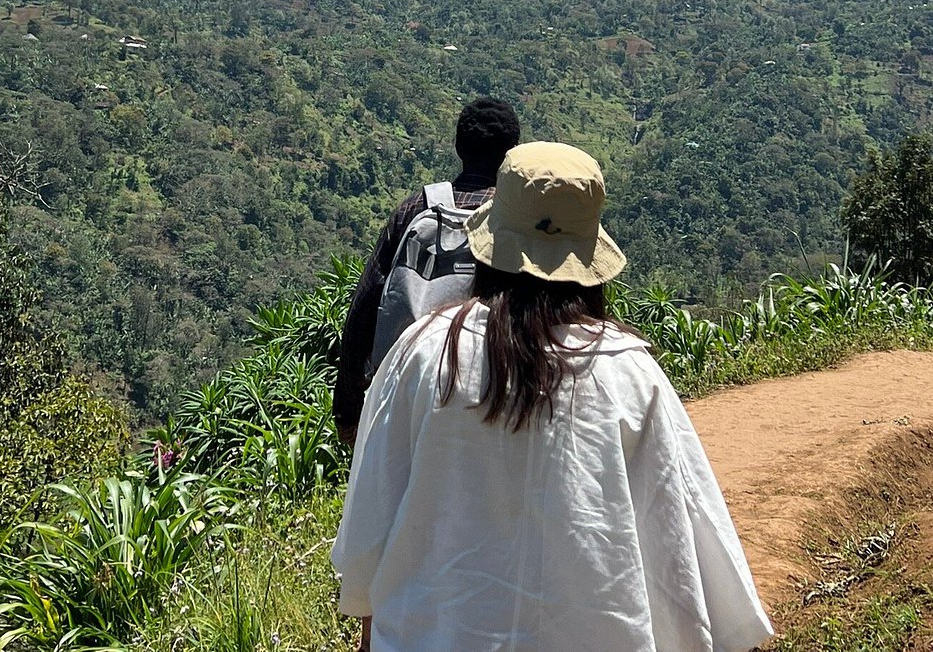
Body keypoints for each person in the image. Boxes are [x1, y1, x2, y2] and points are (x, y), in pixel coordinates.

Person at [331, 141, 773, 652]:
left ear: (490, 243)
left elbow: (369, 533)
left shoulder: (425, 352)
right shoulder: (629, 371)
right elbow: (681, 541)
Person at [332, 97, 521, 443]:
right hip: (493, 396)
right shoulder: (516, 219)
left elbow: (363, 308)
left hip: (407, 388)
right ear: (511, 153)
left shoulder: (416, 209)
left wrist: (348, 411)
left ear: (458, 147)